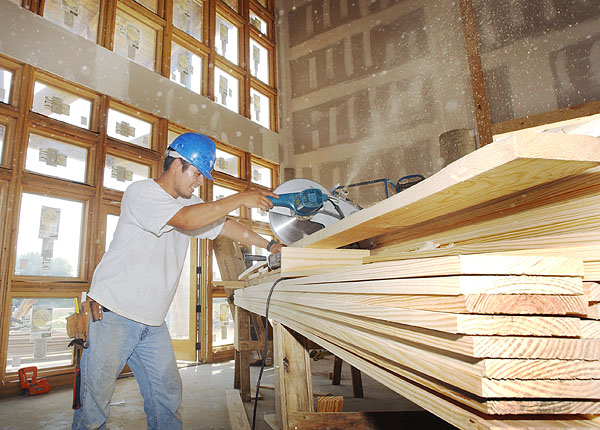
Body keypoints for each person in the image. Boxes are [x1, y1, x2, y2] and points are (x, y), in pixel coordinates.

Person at [72, 132, 283, 430]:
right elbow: (186, 220)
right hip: (112, 314)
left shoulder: (190, 206)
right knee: (93, 409)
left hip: (153, 322)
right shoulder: (142, 193)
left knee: (167, 399)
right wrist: (241, 197)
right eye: (197, 173)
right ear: (176, 164)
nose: (199, 182)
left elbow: (225, 225)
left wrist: (270, 245)